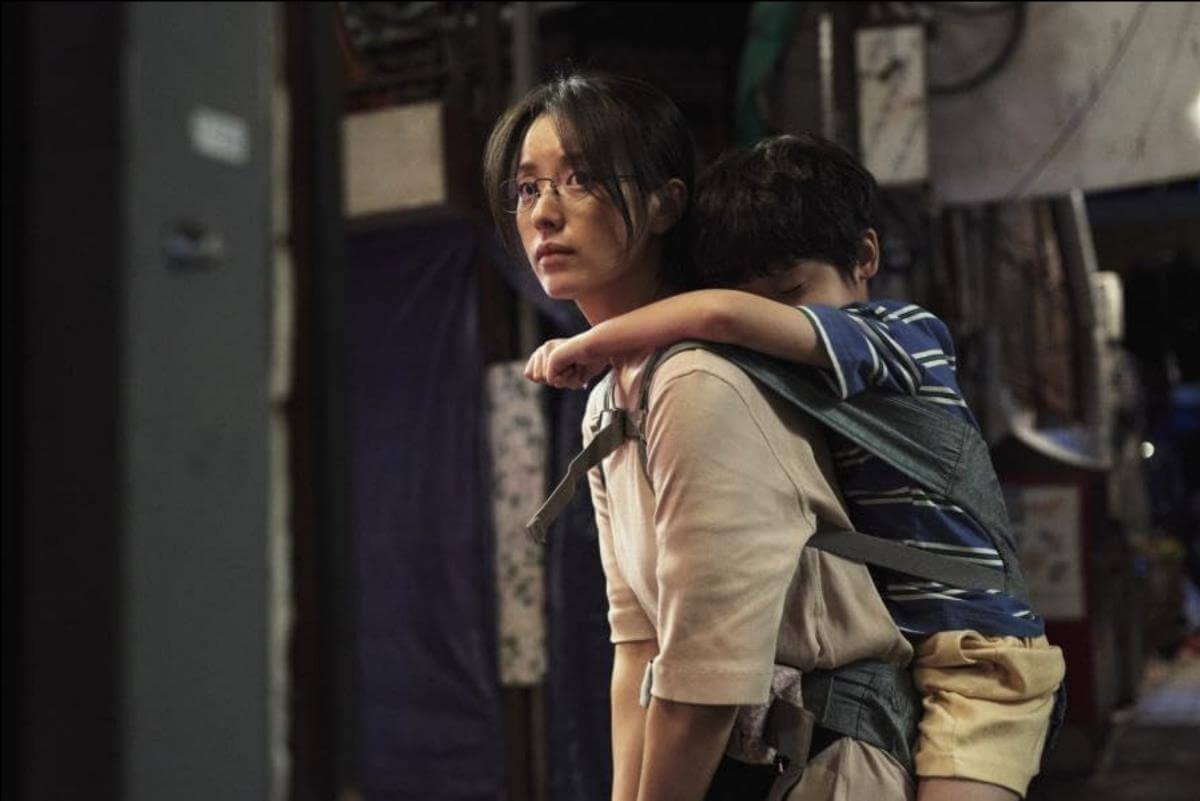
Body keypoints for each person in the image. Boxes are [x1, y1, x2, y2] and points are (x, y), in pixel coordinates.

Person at [524, 133, 1067, 800]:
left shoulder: (900, 336)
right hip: (907, 660)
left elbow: (725, 315)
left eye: (789, 293)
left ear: (865, 256)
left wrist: (590, 343)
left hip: (980, 661)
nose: (772, 323)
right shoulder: (777, 388)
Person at [485, 71, 917, 801]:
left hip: (826, 769)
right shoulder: (608, 400)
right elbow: (638, 648)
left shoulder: (696, 381)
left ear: (665, 203)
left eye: (581, 179)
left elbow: (706, 683)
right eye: (528, 189)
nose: (544, 214)